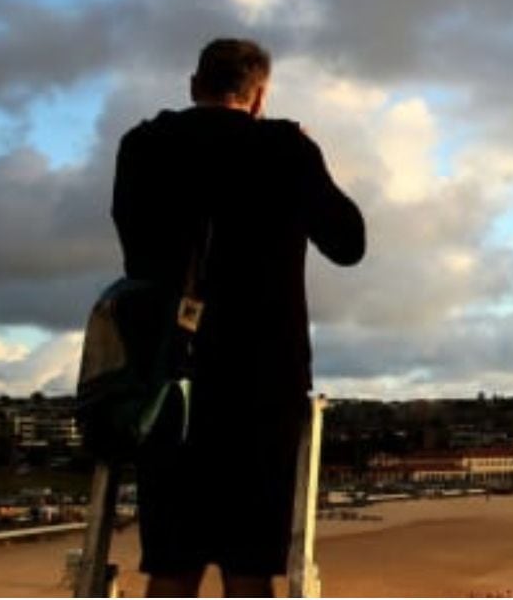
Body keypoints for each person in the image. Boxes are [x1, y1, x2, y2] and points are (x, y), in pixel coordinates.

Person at [112, 38, 365, 597]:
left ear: (193, 85)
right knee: (250, 567)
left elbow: (134, 251)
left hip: (166, 374)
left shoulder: (142, 146)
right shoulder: (284, 149)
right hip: (261, 378)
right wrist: (303, 156)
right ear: (258, 96)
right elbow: (349, 244)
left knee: (172, 565)